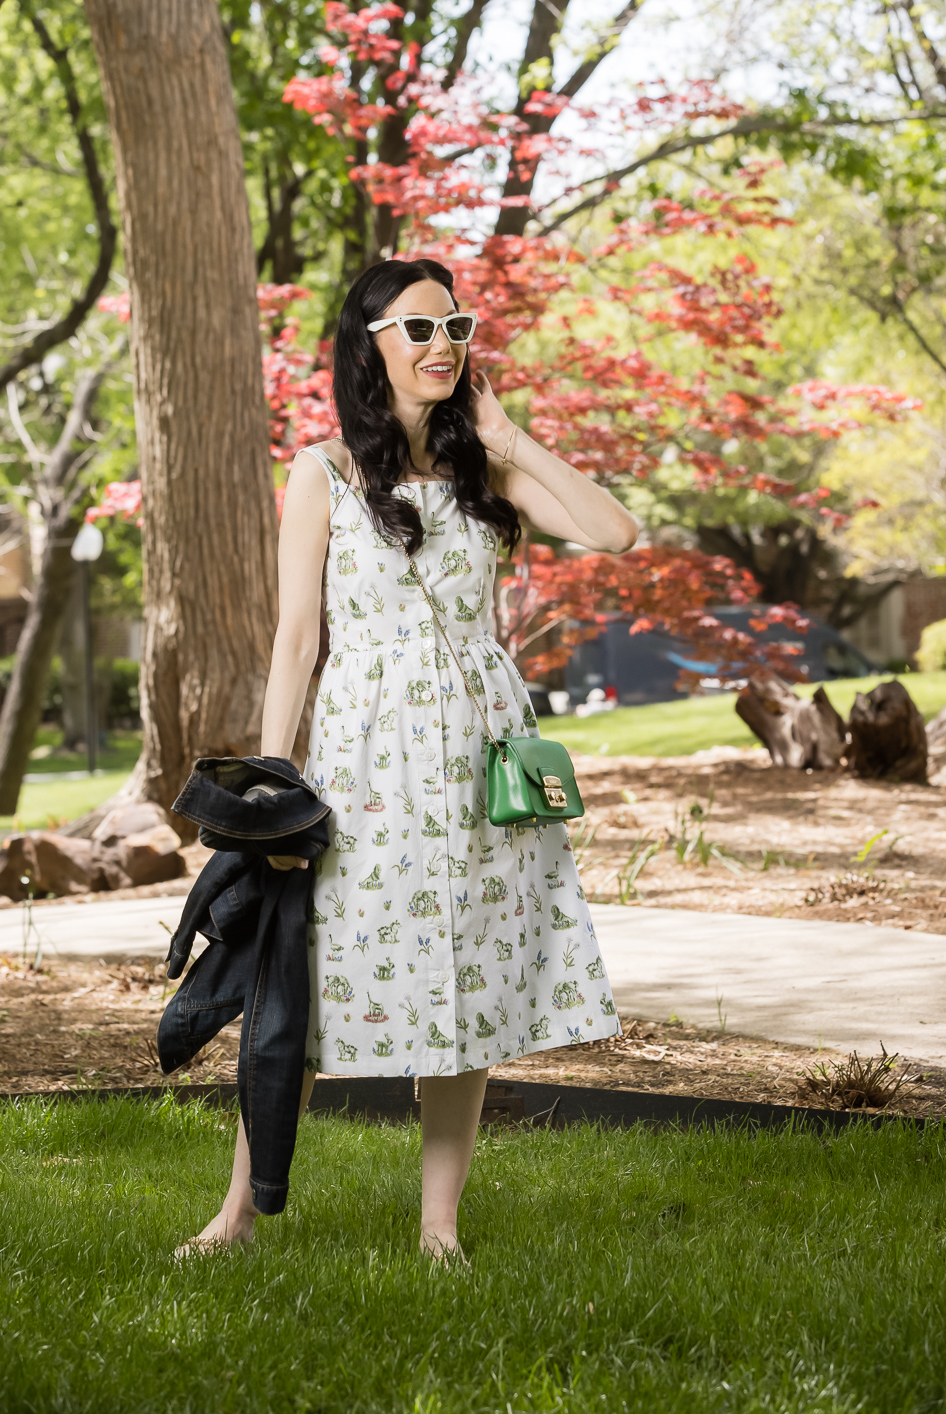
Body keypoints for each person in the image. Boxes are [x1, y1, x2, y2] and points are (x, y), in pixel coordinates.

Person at [184, 257, 638, 1259]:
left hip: (480, 760)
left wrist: (510, 437)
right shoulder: (324, 471)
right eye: (418, 329)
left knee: (466, 985)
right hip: (364, 763)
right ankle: (238, 1214)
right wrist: (272, 785)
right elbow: (297, 639)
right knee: (303, 979)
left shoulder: (490, 468)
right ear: (370, 345)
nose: (443, 345)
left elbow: (615, 531)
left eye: (456, 326)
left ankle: (440, 1229)